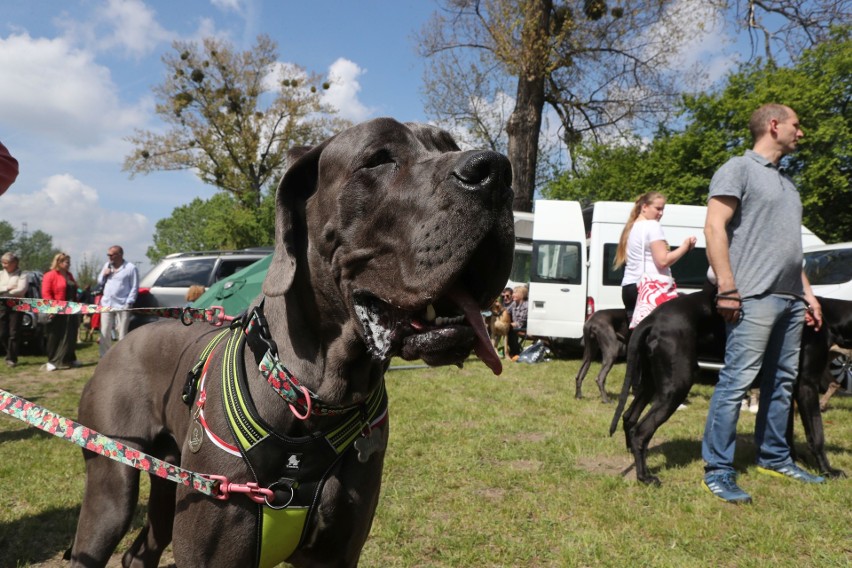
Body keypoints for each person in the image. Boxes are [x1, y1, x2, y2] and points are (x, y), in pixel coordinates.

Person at [701, 103, 825, 505]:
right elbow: (714, 226)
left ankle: (775, 456)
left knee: (782, 383)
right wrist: (727, 286)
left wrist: (806, 293)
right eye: (796, 124)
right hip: (751, 294)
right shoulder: (738, 168)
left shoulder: (788, 185)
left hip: (789, 298)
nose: (800, 132)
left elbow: (788, 249)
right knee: (737, 382)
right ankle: (719, 469)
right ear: (774, 126)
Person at [615, 192, 697, 324]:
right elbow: (662, 261)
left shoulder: (631, 228)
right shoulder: (652, 226)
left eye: (663, 209)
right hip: (649, 289)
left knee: (637, 336)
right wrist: (685, 247)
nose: (661, 213)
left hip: (629, 288)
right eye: (658, 208)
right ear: (644, 207)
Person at [41, 252, 81, 371]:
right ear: (59, 262)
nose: (69, 264)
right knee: (55, 335)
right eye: (66, 262)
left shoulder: (69, 275)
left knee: (70, 335)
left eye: (69, 262)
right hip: (57, 309)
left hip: (71, 310)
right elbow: (46, 293)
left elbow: (74, 290)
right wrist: (51, 308)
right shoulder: (50, 275)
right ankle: (52, 360)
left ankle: (69, 358)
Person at [97, 245, 139, 357]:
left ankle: (121, 357)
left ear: (119, 255)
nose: (109, 257)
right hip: (107, 303)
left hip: (123, 305)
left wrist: (129, 302)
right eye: (108, 255)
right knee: (104, 331)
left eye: (111, 255)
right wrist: (104, 274)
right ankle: (104, 356)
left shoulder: (130, 268)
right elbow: (100, 282)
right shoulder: (107, 265)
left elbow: (134, 287)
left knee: (122, 333)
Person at [0, 252, 28, 367]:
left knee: (14, 332)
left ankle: (11, 358)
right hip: (2, 305)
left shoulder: (23, 275)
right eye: (2, 263)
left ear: (14, 263)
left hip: (17, 305)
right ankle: (8, 351)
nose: (4, 265)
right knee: (2, 333)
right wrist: (7, 288)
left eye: (6, 263)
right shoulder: (1, 274)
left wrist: (2, 292)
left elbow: (21, 290)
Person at [506, 285, 528, 359]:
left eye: (515, 293)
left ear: (522, 295)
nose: (512, 295)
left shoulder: (526, 305)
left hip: (523, 328)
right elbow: (505, 311)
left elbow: (521, 323)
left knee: (509, 329)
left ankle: (516, 352)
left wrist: (509, 324)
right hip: (515, 326)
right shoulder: (514, 303)